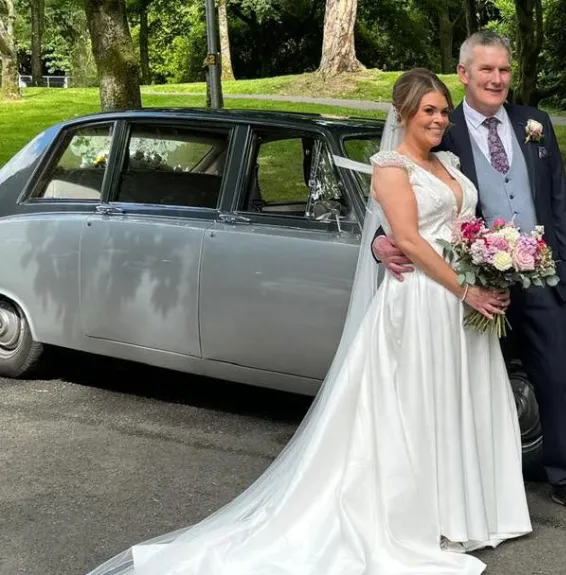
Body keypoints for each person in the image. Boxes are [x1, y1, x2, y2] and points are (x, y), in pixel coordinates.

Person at [83, 68, 531, 575]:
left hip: (456, 299)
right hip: (424, 301)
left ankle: (464, 510)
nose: (438, 119)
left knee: (453, 399)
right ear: (403, 113)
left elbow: (458, 225)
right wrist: (465, 287)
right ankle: (421, 517)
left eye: (443, 110)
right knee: (416, 404)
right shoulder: (391, 168)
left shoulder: (447, 161)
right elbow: (406, 239)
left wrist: (491, 259)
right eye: (428, 110)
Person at [372, 31, 566, 521]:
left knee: (556, 378)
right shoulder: (439, 125)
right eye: (486, 70)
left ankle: (564, 478)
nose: (497, 79)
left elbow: (560, 201)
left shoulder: (534, 123)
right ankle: (482, 484)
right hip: (471, 286)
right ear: (464, 74)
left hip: (540, 275)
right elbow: (405, 189)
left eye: (504, 70)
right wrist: (378, 242)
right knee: (473, 382)